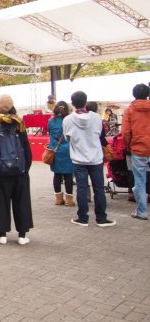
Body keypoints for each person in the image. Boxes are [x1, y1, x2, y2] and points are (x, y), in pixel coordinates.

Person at [63, 91, 116, 228]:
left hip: (78, 158)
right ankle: (101, 218)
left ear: (72, 103)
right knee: (98, 188)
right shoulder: (97, 118)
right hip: (96, 158)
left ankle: (82, 218)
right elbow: (99, 134)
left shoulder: (68, 120)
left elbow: (67, 138)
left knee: (81, 187)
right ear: (85, 102)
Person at [0, 95, 34, 245]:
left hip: (1, 171)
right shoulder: (19, 123)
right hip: (20, 170)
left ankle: (2, 235)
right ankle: (22, 235)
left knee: (1, 201)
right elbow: (26, 148)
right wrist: (26, 168)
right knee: (22, 201)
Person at [122, 84, 150, 220]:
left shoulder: (130, 111)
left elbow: (126, 132)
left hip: (138, 149)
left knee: (140, 181)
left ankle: (142, 212)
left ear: (134, 95)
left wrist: (128, 147)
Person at [47, 101, 75, 206]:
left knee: (57, 175)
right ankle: (69, 200)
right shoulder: (70, 120)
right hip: (68, 150)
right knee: (68, 175)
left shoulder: (51, 121)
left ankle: (58, 199)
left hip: (55, 150)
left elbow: (50, 133)